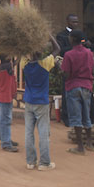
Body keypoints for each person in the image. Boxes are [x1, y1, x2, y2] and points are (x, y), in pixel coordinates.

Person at [20, 36, 61, 170]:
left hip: (29, 101)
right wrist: (49, 36)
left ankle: (31, 162)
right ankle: (44, 163)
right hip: (41, 102)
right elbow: (57, 49)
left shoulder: (24, 64)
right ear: (41, 52)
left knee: (28, 132)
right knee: (43, 132)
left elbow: (20, 52)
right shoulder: (45, 63)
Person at [61, 30, 94, 154]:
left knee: (76, 117)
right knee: (87, 115)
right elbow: (92, 69)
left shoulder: (68, 54)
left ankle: (80, 147)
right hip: (87, 86)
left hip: (73, 86)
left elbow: (66, 73)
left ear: (73, 39)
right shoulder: (89, 53)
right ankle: (89, 143)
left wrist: (60, 69)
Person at [56, 14, 80, 126]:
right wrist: (75, 46)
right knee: (66, 92)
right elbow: (61, 50)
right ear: (68, 22)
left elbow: (88, 45)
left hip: (79, 67)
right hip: (67, 67)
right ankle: (66, 117)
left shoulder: (80, 34)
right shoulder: (61, 35)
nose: (75, 24)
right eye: (73, 22)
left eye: (76, 22)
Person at [0, 56, 18, 152]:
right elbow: (15, 63)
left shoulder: (2, 66)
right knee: (6, 120)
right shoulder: (7, 66)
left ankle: (5, 138)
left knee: (3, 119)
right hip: (5, 97)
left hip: (4, 96)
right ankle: (6, 143)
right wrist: (21, 54)